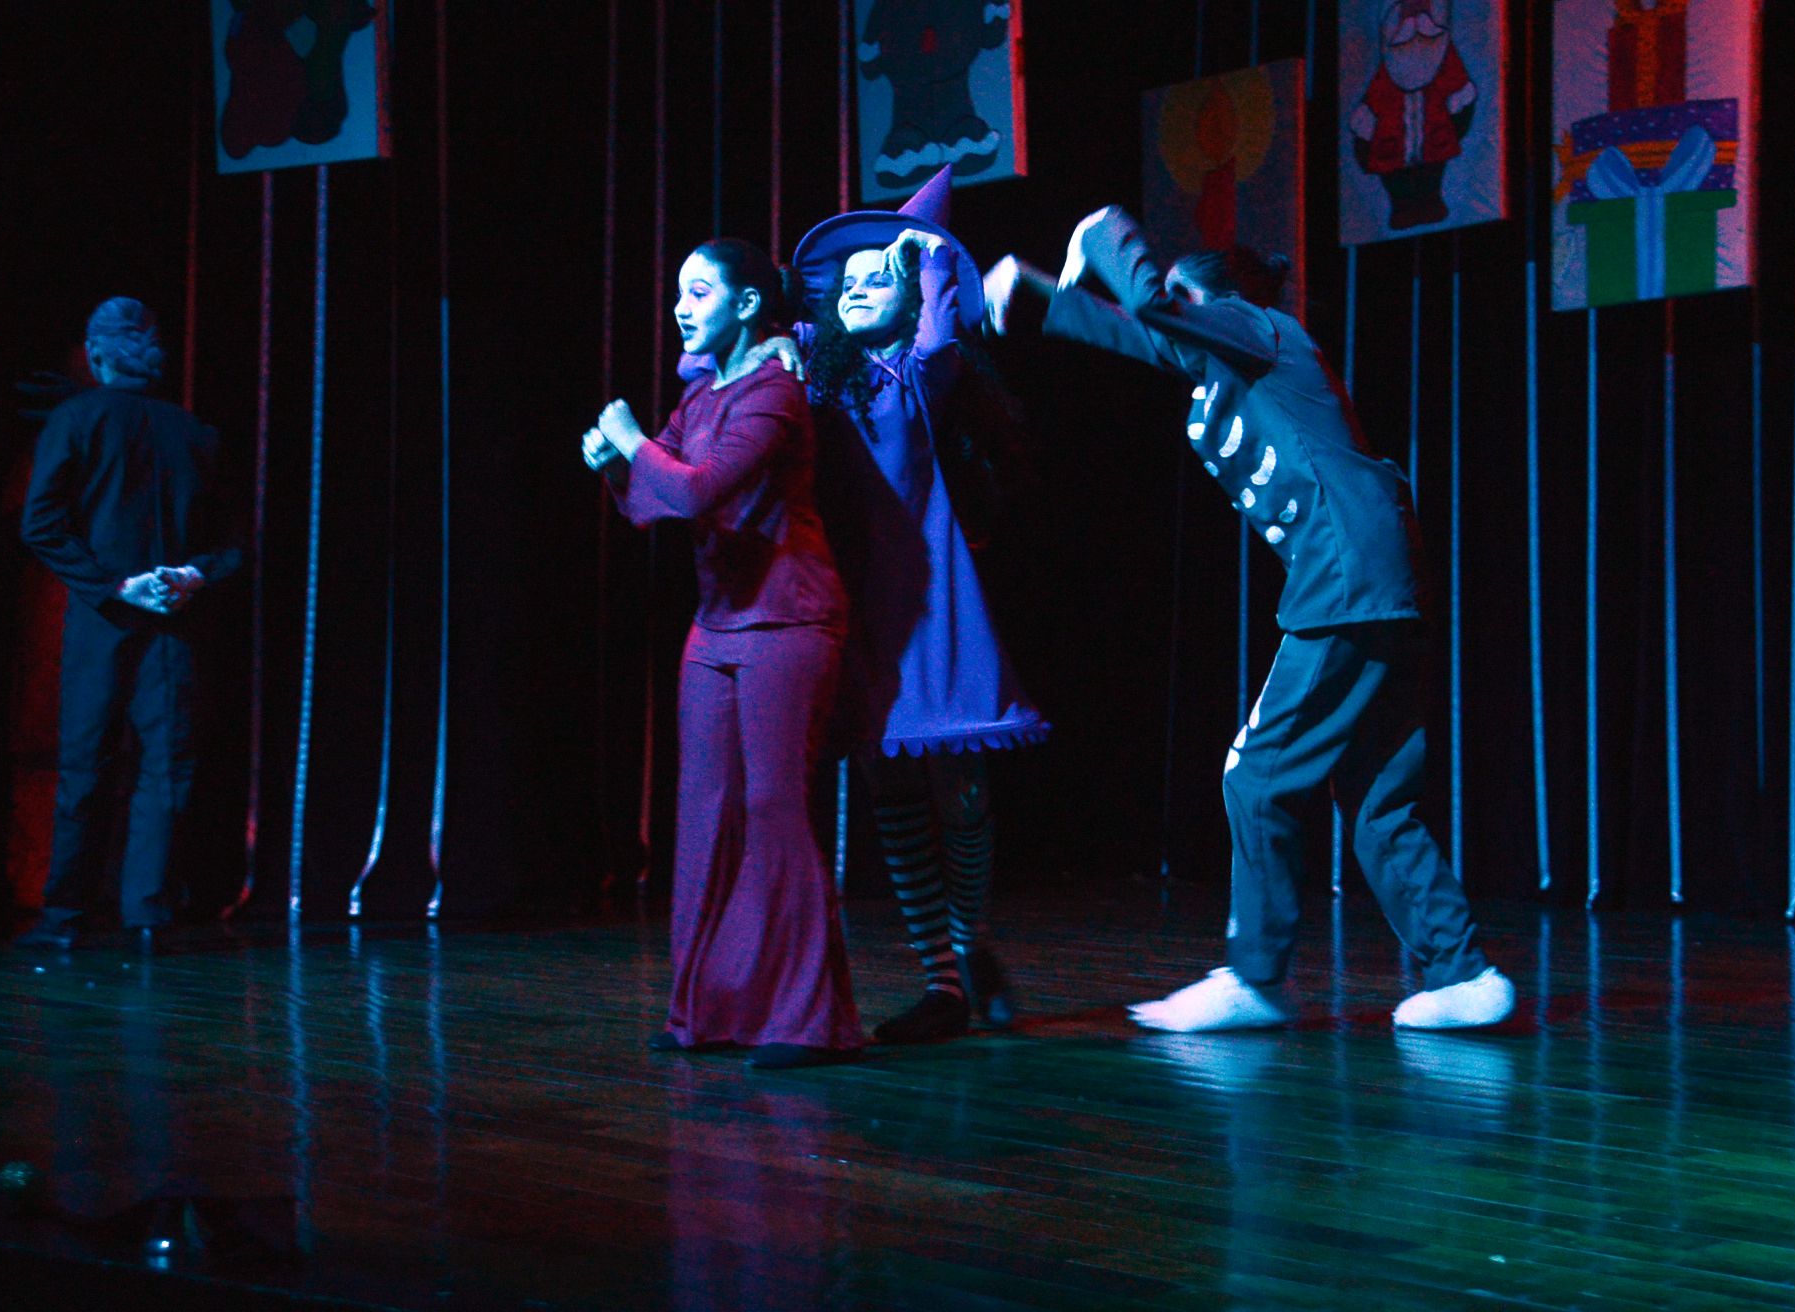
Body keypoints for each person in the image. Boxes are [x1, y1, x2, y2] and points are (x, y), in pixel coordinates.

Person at [983, 207, 1514, 1030]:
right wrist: (1033, 291)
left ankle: (1257, 976)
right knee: (1377, 796)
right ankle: (1464, 974)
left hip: (1349, 578)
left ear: (1212, 302)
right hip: (1374, 580)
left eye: (1185, 305)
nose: (1176, 324)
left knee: (1255, 774)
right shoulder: (1223, 365)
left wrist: (1105, 234)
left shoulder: (1260, 329)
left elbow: (1154, 310)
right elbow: (1140, 333)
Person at [584, 238, 863, 1069]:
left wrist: (630, 438)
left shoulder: (775, 393)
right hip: (716, 626)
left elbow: (700, 489)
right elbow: (653, 503)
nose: (681, 306)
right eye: (679, 292)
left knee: (776, 809)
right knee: (705, 815)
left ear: (747, 305)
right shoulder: (701, 393)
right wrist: (616, 466)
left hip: (787, 620)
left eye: (699, 291)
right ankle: (705, 1014)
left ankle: (809, 1023)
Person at [785, 167, 1047, 1044]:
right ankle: (942, 980)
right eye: (848, 281)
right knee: (889, 787)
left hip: (932, 602)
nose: (858, 288)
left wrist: (924, 257)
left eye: (879, 278)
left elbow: (939, 340)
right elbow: (715, 354)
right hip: (854, 603)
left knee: (961, 791)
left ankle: (969, 950)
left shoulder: (916, 376)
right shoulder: (819, 377)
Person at [15, 298, 241, 948]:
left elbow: (41, 524)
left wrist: (112, 587)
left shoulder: (77, 418)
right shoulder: (195, 432)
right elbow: (232, 545)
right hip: (175, 623)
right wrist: (191, 575)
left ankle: (65, 918)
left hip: (104, 620)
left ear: (96, 355)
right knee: (166, 769)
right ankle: (147, 915)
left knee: (85, 766)